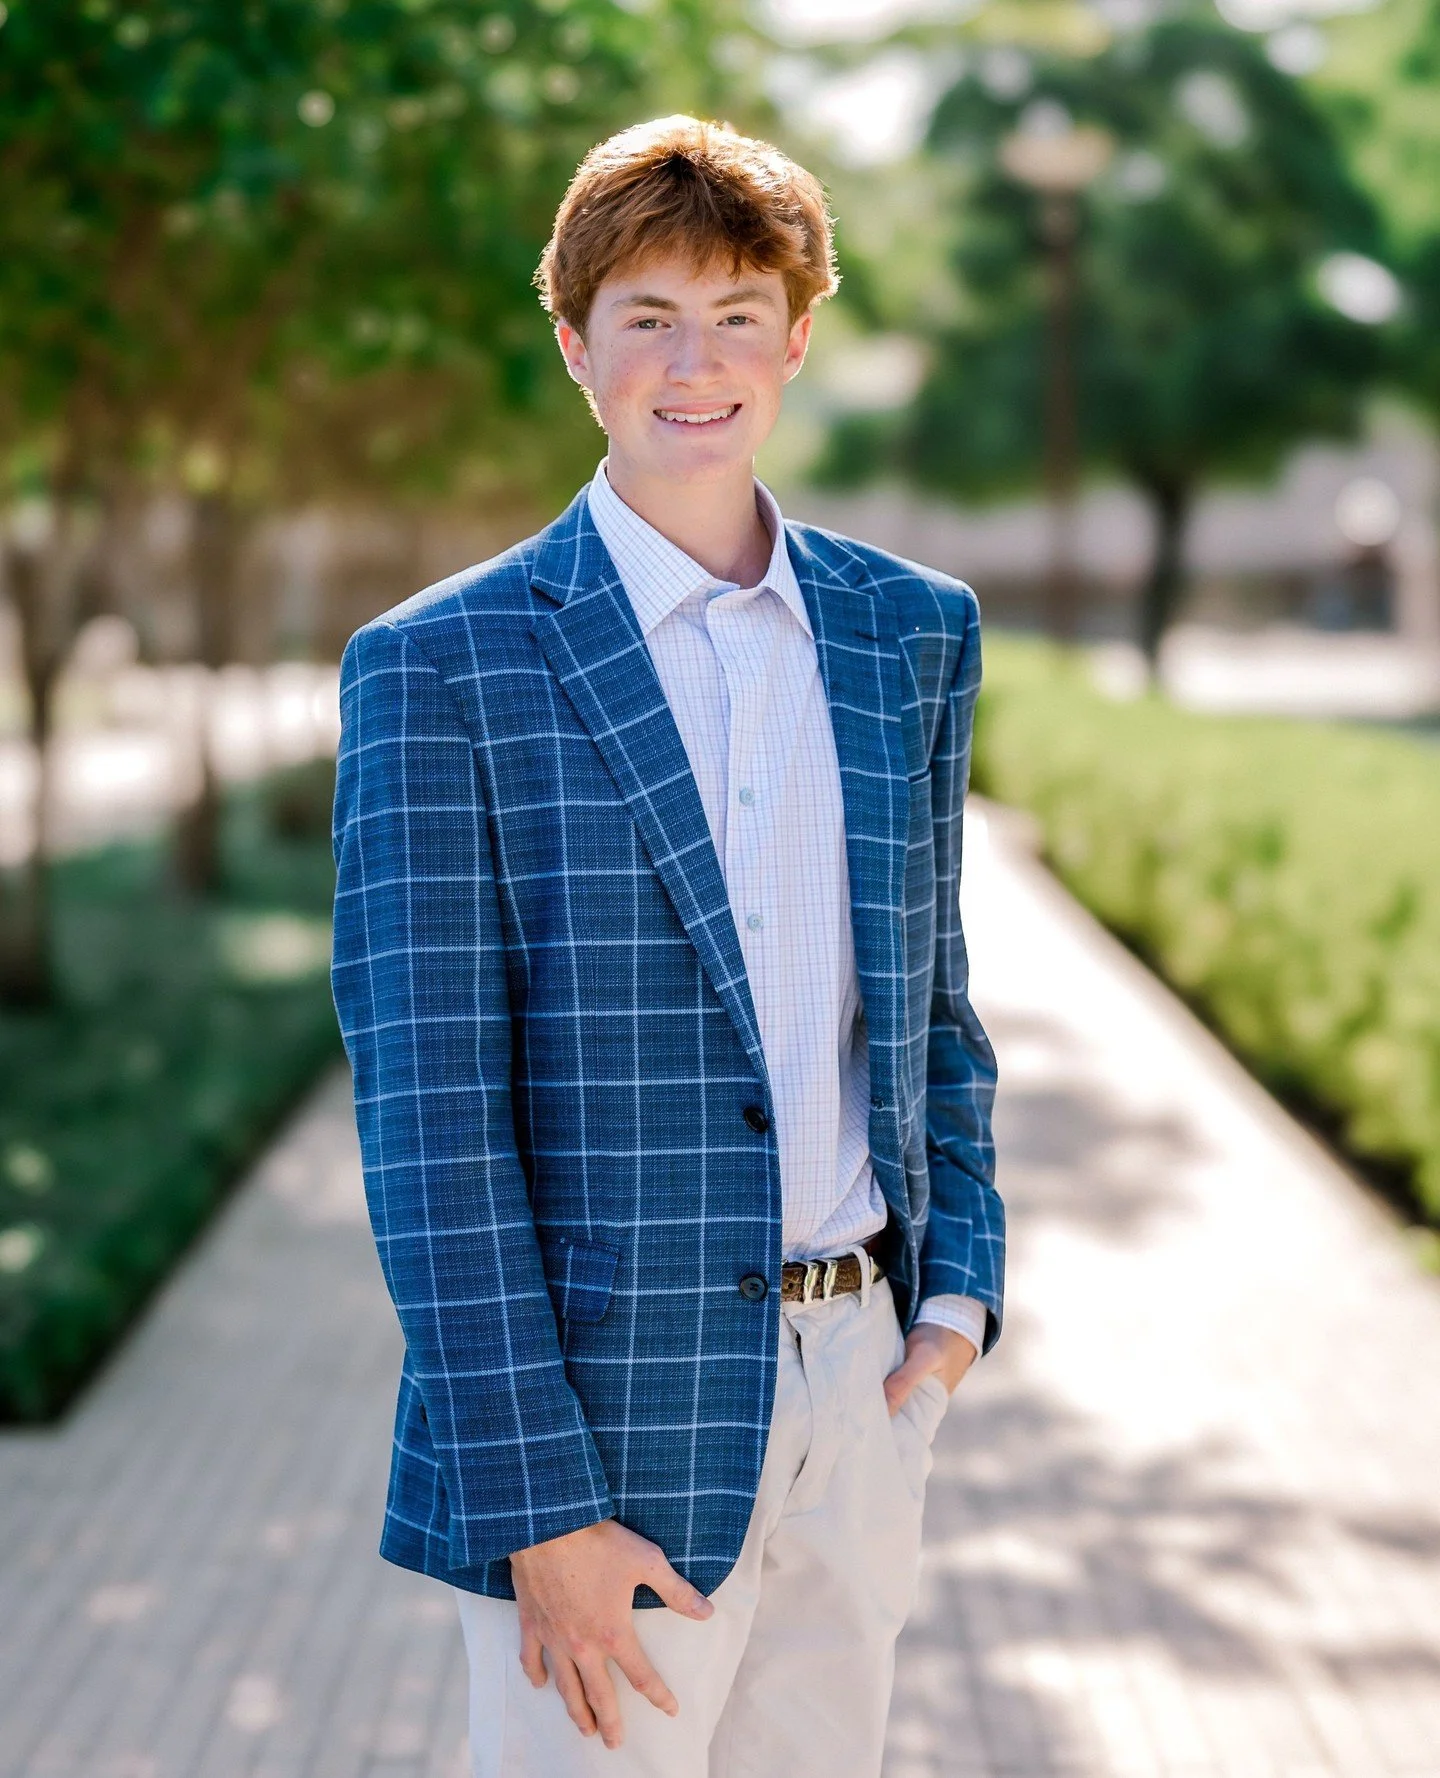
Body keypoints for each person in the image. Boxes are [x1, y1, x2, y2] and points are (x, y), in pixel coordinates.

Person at [330, 114, 1004, 1778]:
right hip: (599, 1426)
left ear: (796, 338)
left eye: (736, 315)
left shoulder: (909, 630)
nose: (693, 362)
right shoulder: (442, 666)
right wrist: (541, 1505)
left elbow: (931, 1005)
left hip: (863, 1382)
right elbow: (432, 1122)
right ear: (575, 346)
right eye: (647, 317)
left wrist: (962, 1293)